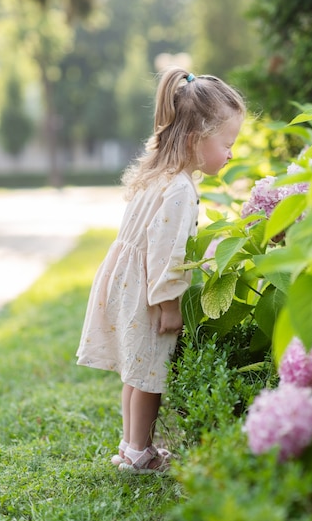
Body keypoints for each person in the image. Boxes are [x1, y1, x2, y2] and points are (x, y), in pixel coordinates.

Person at [76, 66, 245, 473]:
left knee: (135, 373)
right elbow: (166, 254)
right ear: (195, 140)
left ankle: (131, 446)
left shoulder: (160, 174)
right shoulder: (181, 189)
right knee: (151, 375)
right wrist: (170, 305)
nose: (232, 153)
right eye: (227, 143)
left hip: (127, 282)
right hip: (149, 293)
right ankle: (140, 453)